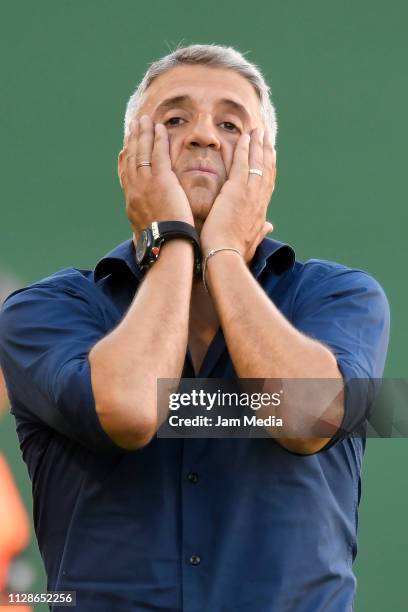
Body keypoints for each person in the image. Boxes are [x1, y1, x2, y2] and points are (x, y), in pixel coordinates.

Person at [0, 44, 389, 611]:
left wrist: (225, 249)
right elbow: (131, 412)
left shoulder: (339, 297)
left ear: (267, 168)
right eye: (174, 120)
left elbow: (305, 417)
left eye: (231, 123)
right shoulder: (46, 311)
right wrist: (174, 241)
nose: (203, 135)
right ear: (128, 161)